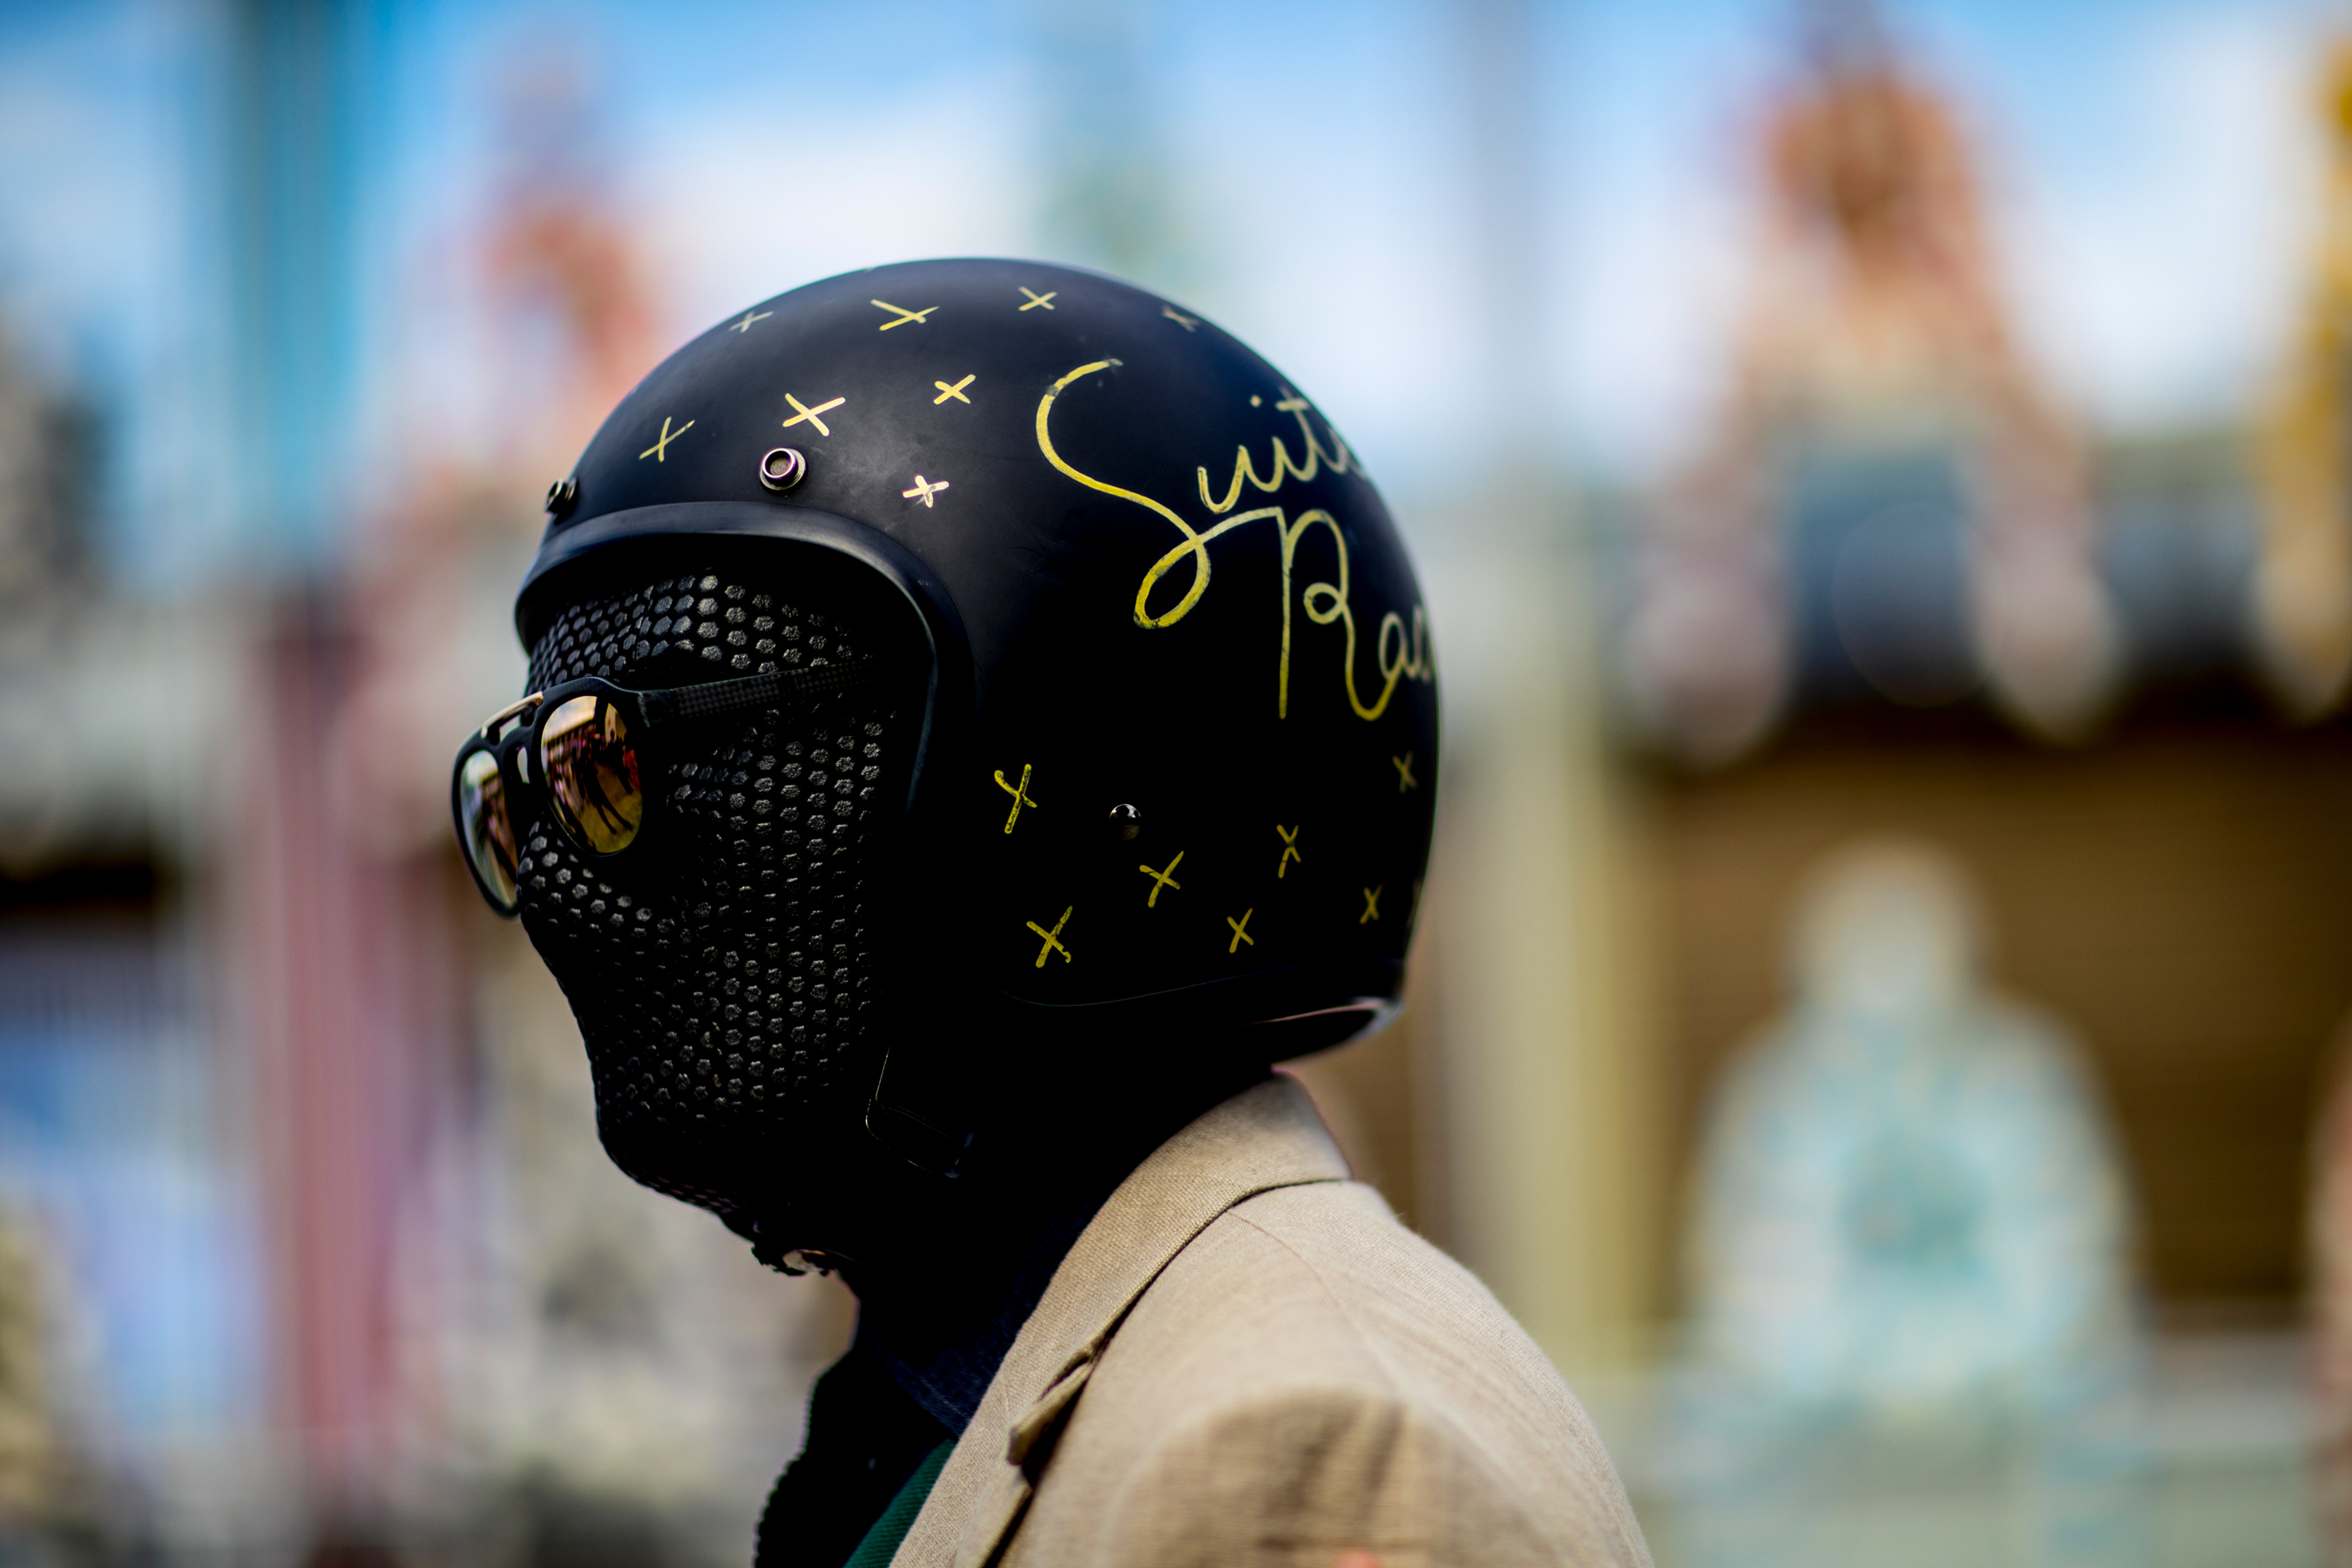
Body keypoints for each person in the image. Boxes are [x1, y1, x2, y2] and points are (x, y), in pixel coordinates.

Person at [449, 258, 1651, 1568]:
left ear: (1092, 765)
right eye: (529, 791)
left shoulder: (1307, 1458)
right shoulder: (960, 1389)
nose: (559, 882)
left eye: (628, 752)